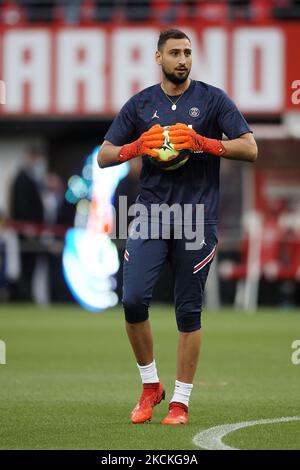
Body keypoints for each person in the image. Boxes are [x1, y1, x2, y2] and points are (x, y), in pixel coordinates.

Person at [97, 29, 257, 425]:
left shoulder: (213, 100)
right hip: (151, 216)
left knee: (188, 312)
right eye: (174, 53)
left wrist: (204, 142)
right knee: (133, 299)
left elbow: (250, 148)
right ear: (158, 58)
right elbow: (103, 157)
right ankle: (151, 385)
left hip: (196, 219)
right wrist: (136, 147)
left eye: (187, 52)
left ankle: (180, 403)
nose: (182, 59)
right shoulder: (140, 104)